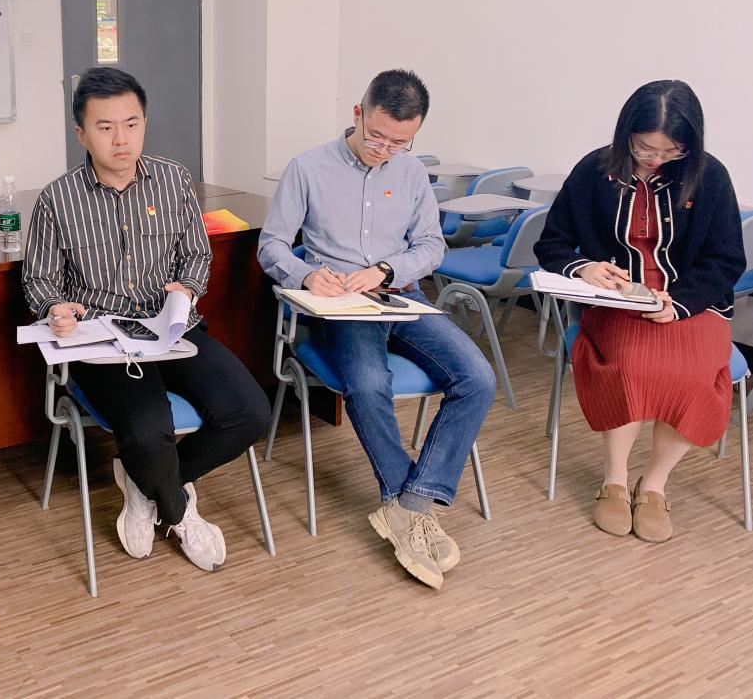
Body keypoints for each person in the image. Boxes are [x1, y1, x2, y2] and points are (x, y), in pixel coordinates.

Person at [22, 67, 271, 572]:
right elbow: (39, 280)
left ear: (144, 124)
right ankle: (179, 512)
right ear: (81, 134)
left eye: (131, 124)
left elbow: (196, 255)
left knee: (250, 412)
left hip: (171, 326)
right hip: (104, 340)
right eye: (105, 127)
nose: (121, 139)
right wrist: (54, 307)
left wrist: (188, 288)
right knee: (146, 429)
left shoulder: (173, 180)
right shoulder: (57, 199)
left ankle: (147, 482)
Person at [258, 69, 496, 590]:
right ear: (358, 114)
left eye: (399, 143)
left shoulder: (410, 173)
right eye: (376, 137)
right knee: (368, 384)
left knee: (478, 378)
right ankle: (408, 507)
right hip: (340, 304)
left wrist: (388, 270)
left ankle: (409, 504)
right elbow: (271, 245)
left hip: (400, 295)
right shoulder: (308, 168)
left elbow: (431, 245)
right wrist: (306, 274)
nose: (384, 150)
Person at [534, 80, 744, 543]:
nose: (655, 159)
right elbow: (551, 243)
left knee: (693, 375)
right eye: (645, 147)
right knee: (629, 364)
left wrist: (680, 302)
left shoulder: (709, 176)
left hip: (692, 306)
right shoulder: (594, 171)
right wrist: (584, 267)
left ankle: (653, 485)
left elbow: (726, 261)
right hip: (619, 303)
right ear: (625, 132)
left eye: (670, 151)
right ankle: (614, 477)